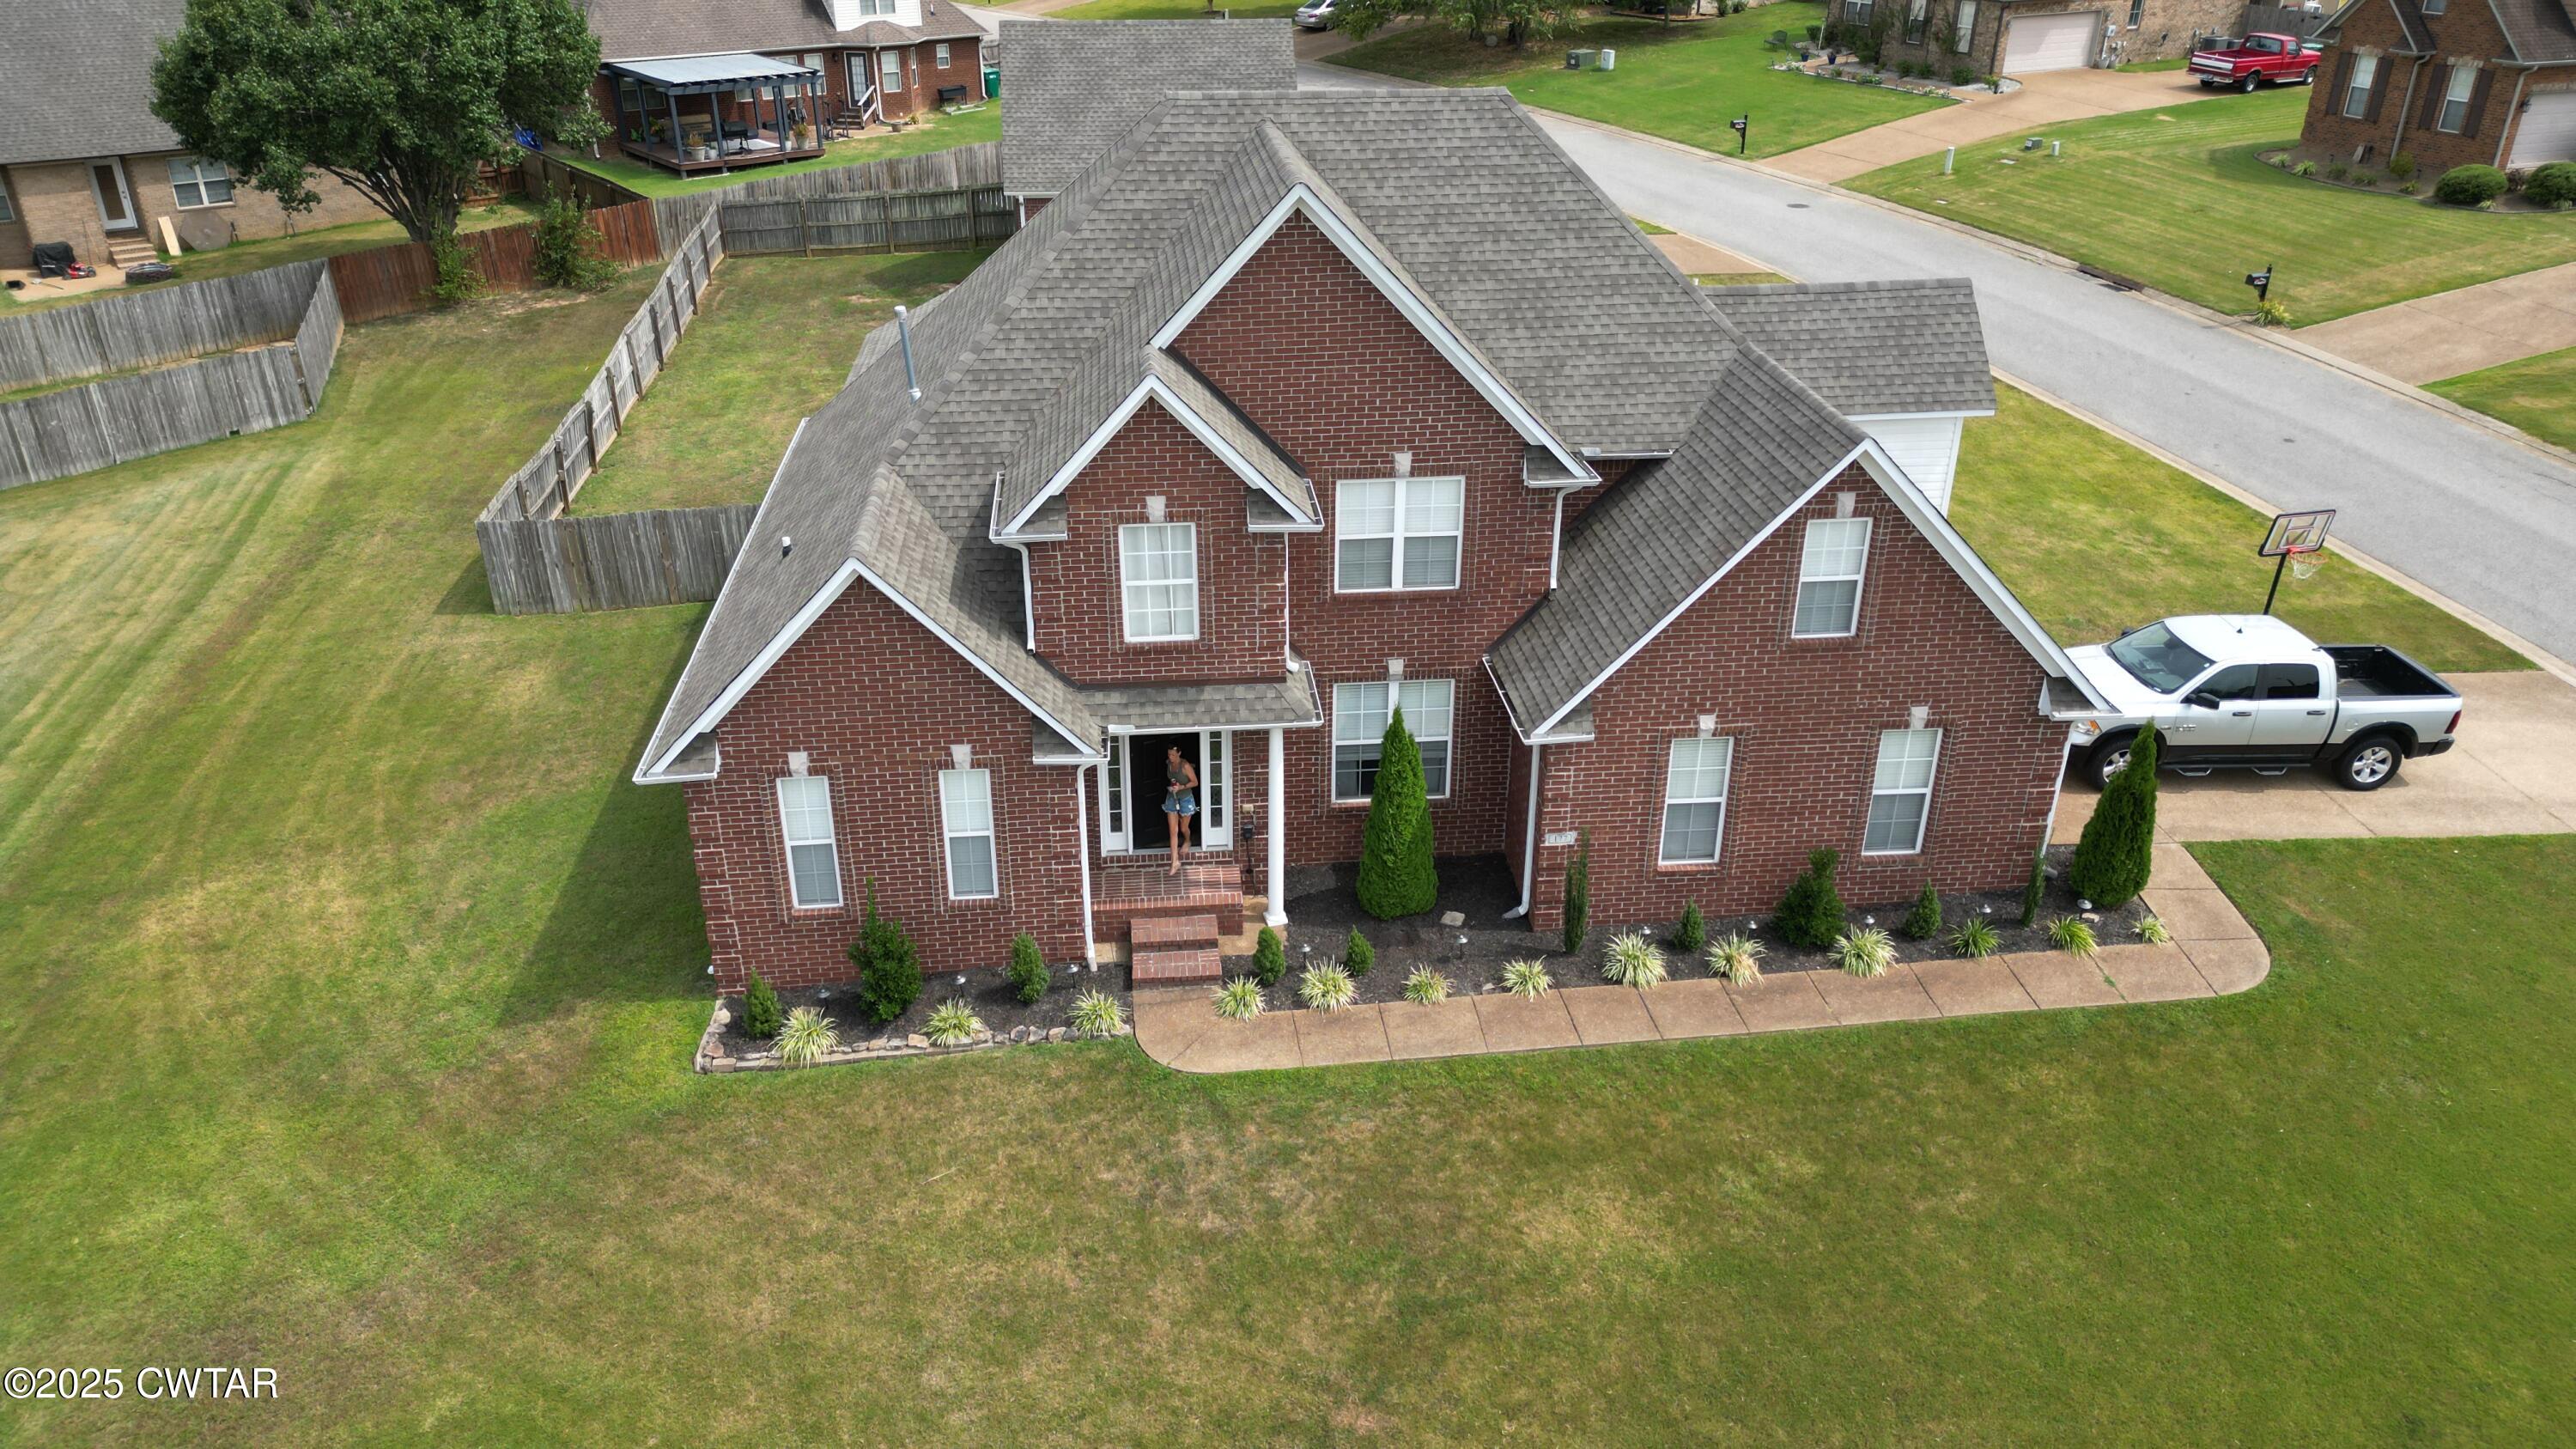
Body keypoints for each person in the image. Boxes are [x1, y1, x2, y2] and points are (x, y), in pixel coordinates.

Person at [1163, 746, 1199, 875]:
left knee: (1183, 828)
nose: (1170, 757)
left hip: (1185, 799)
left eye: (1173, 754)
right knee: (1173, 831)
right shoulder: (1168, 763)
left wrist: (1181, 787)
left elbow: (1195, 782)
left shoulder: (1185, 766)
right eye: (1169, 754)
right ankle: (1175, 862)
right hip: (1172, 798)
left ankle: (1188, 840)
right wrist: (1173, 788)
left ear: (1179, 753)